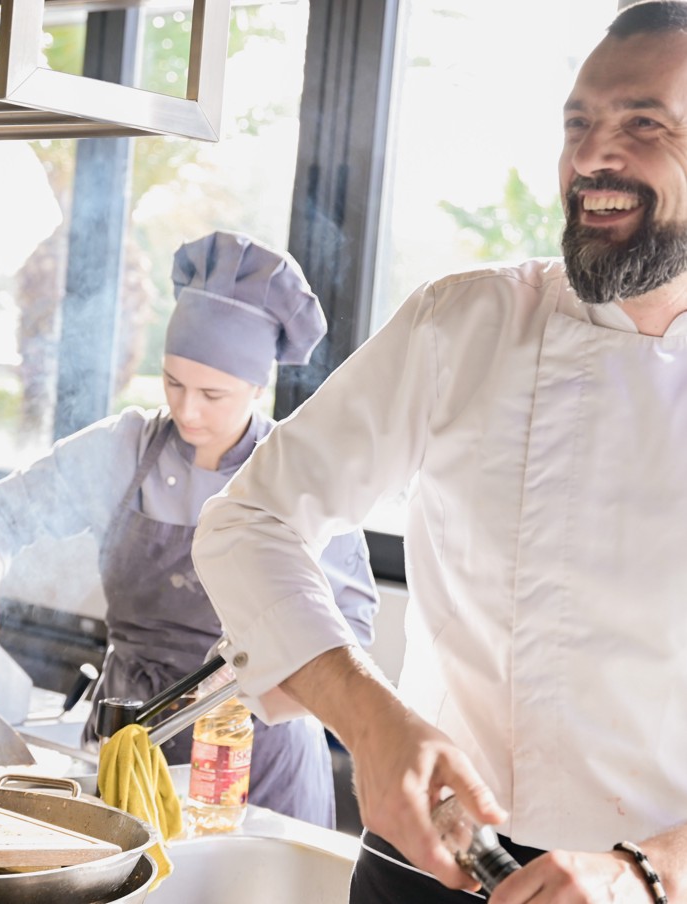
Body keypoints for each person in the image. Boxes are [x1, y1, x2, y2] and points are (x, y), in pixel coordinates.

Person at [192, 4, 687, 902]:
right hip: (420, 863)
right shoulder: (464, 321)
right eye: (577, 124)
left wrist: (645, 873)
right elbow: (247, 523)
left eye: (643, 124)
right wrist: (370, 721)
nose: (591, 158)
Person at [0, 230, 379, 828]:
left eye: (213, 393)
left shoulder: (298, 476)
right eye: (173, 383)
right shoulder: (127, 446)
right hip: (127, 740)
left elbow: (350, 635)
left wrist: (257, 691)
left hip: (253, 765)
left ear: (259, 387)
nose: (187, 411)